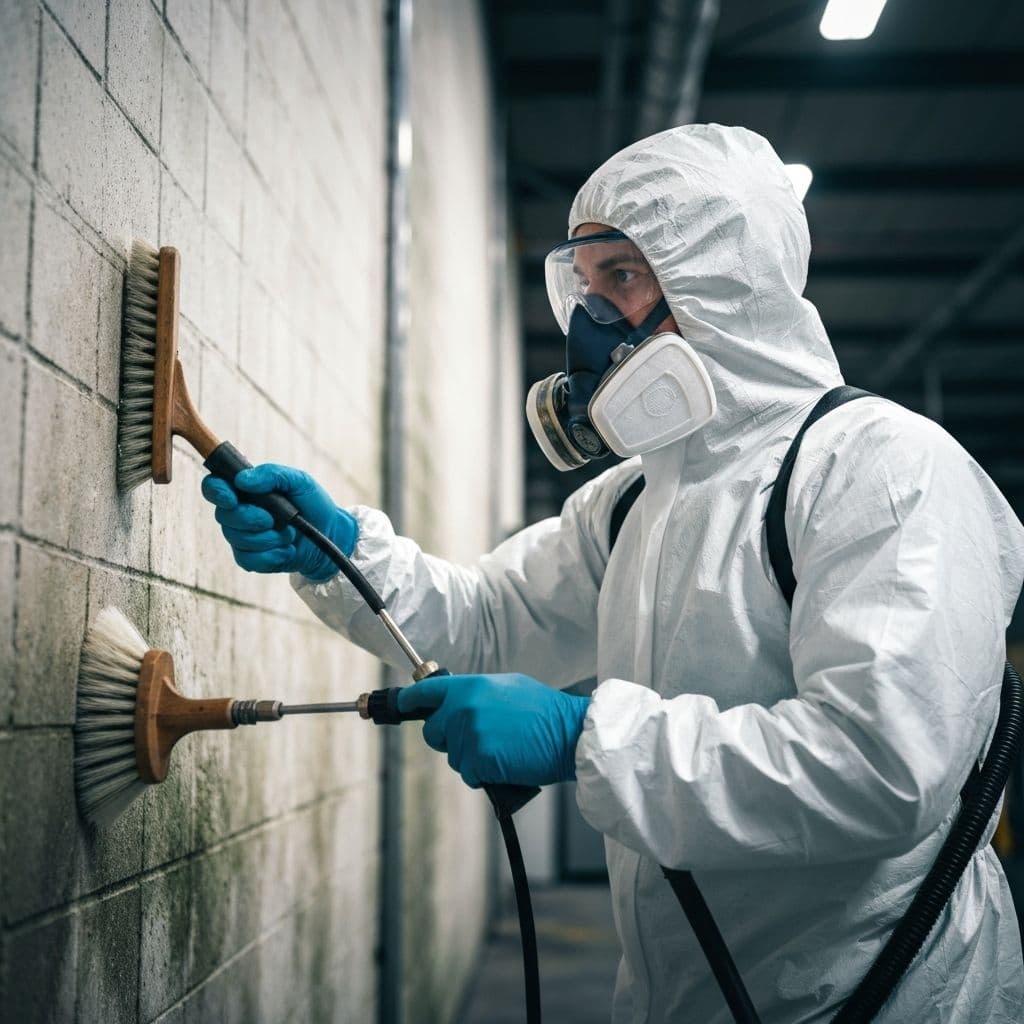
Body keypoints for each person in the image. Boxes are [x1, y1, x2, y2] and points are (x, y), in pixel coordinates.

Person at [202, 124, 1024, 1022]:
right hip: (683, 994)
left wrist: (581, 736)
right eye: (582, 284)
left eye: (622, 279)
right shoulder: (636, 499)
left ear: (721, 287)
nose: (591, 319)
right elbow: (484, 618)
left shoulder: (881, 469)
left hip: (883, 997)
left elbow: (881, 765)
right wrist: (337, 549)